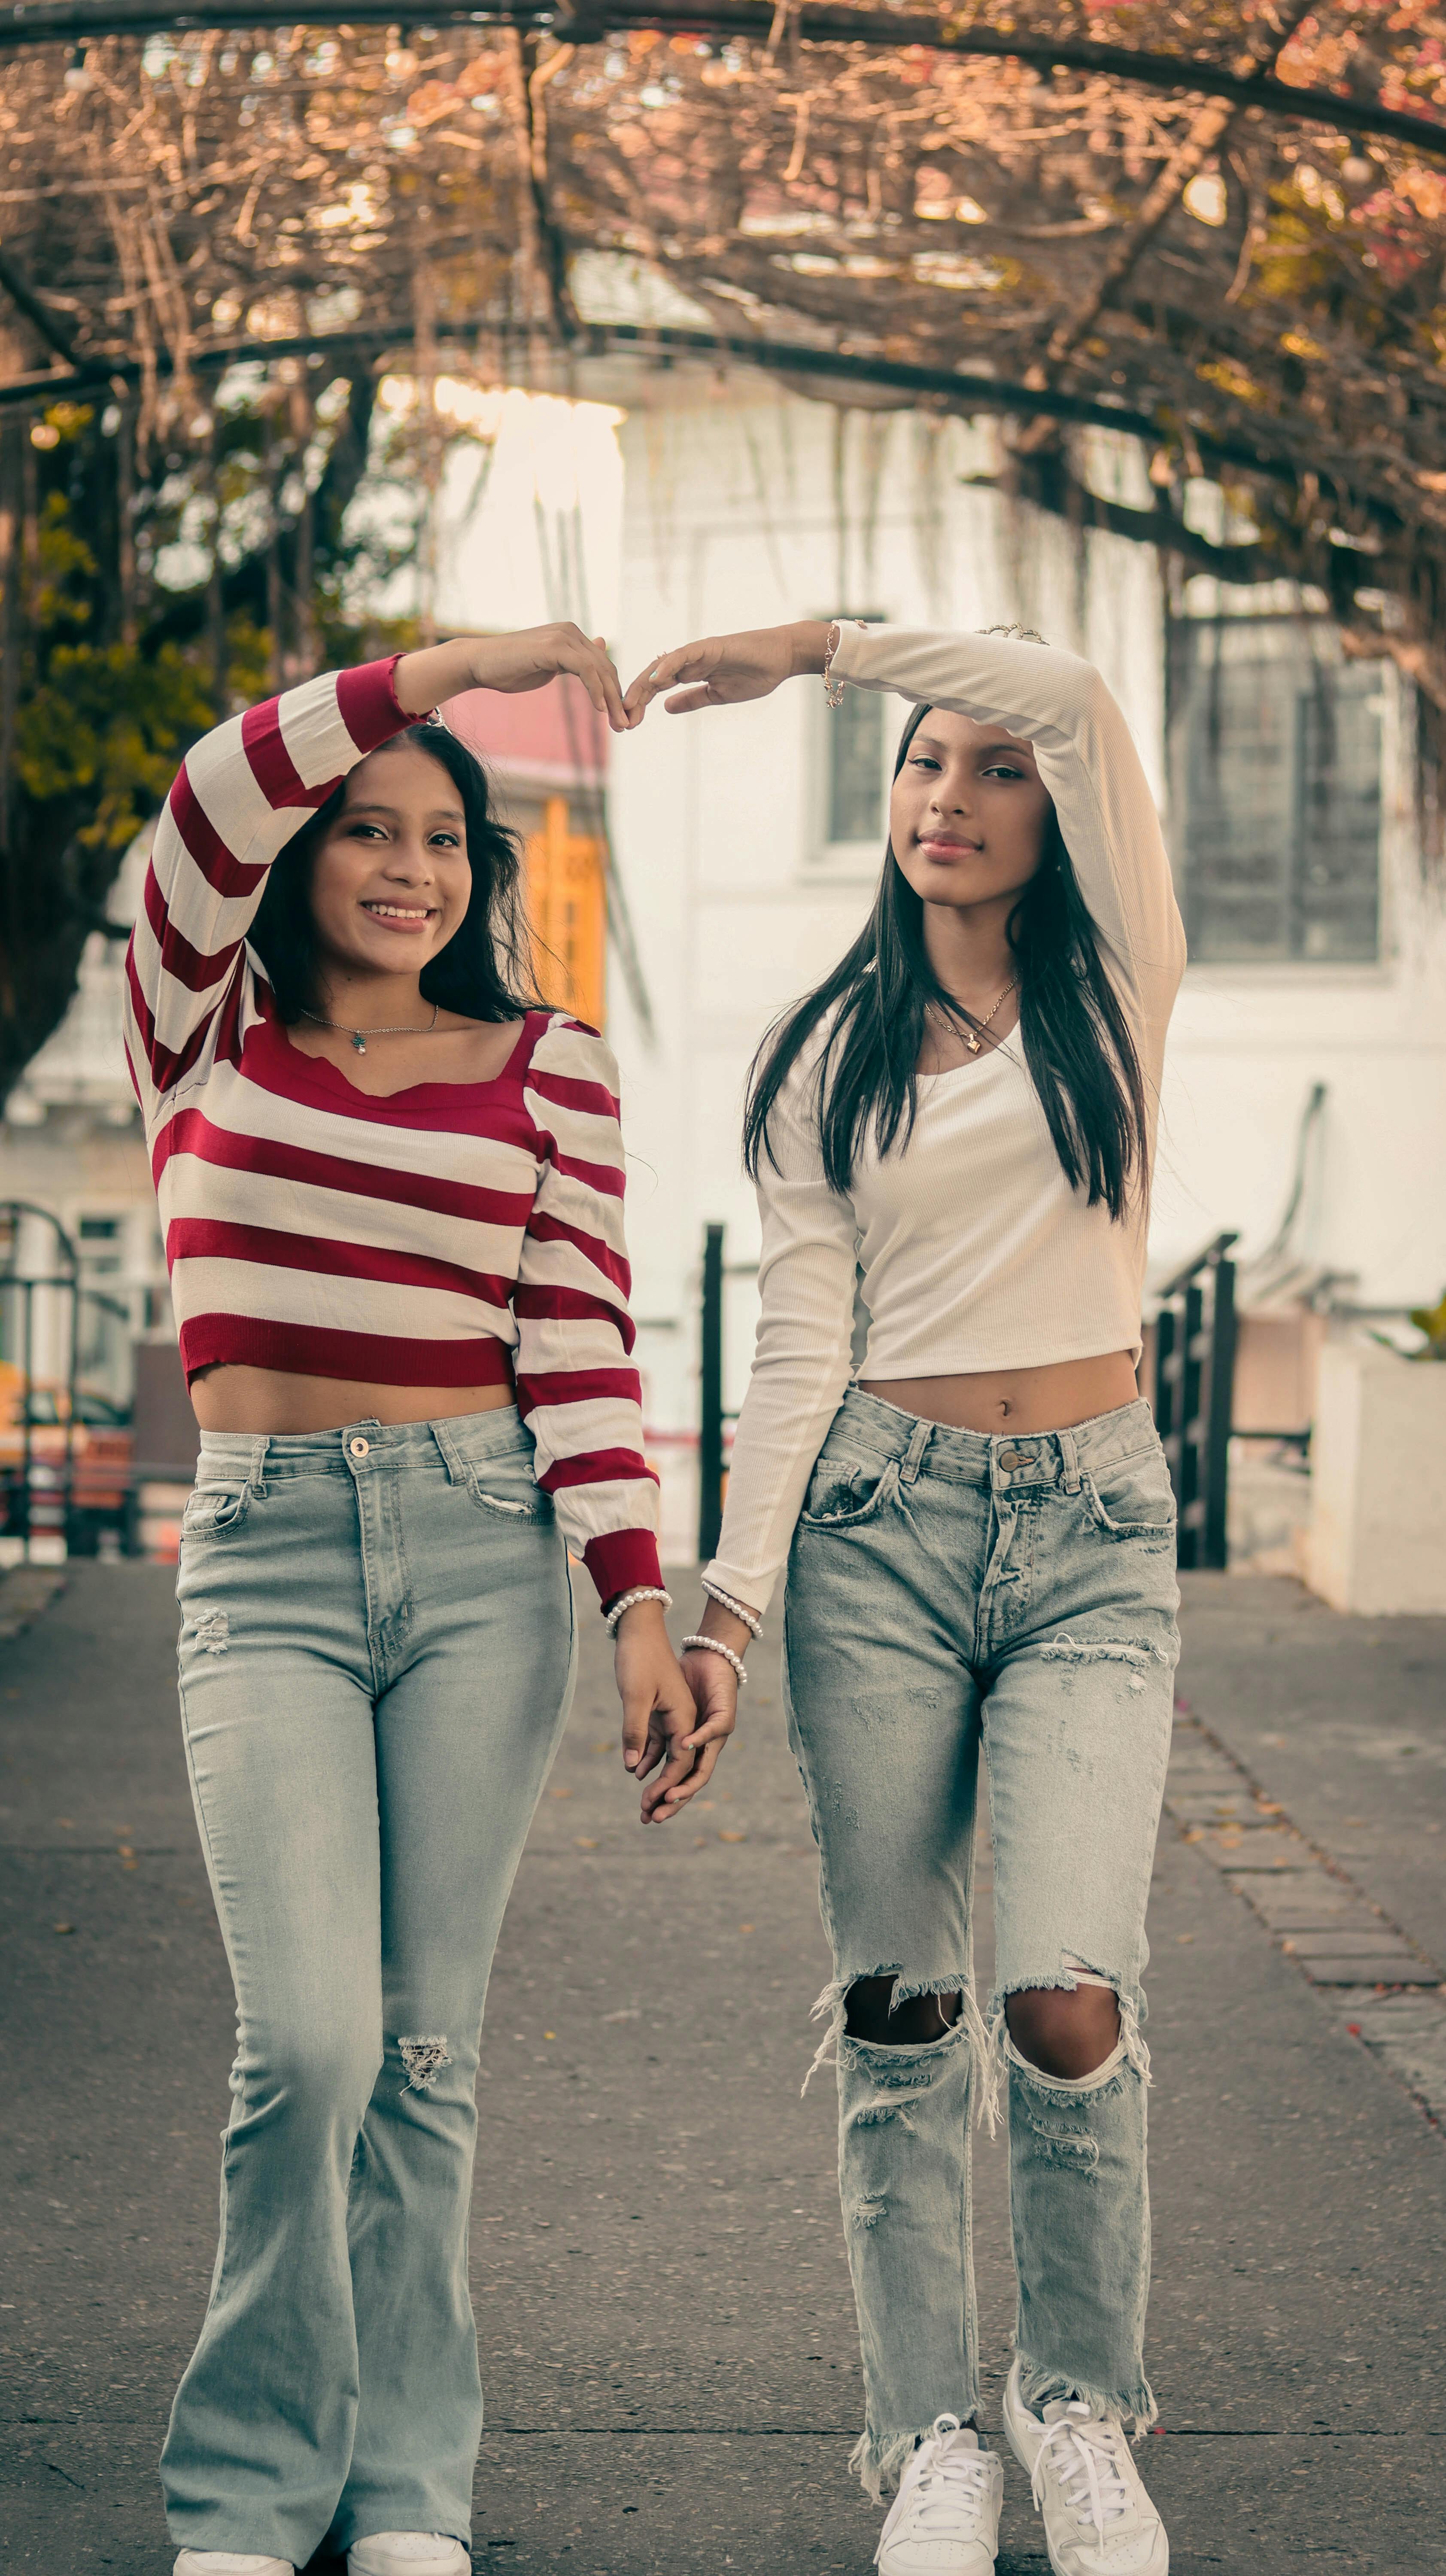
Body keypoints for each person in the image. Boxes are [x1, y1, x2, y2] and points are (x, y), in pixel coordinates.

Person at [125, 625, 728, 2576]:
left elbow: (578, 1345)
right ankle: (245, 2487)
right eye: (369, 829)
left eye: (449, 839)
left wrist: (638, 1601)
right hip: (269, 1557)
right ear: (296, 857)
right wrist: (449, 673)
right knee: (301, 2046)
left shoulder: (549, 1068)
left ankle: (402, 2493)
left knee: (424, 2053)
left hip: (481, 1560)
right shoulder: (199, 1027)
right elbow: (206, 794)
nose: (412, 865)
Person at [627, 617, 1187, 2576]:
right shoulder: (821, 1061)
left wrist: (820, 652)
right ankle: (927, 2430)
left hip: (1092, 1538)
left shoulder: (1119, 986)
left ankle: (1076, 2408)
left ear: (1053, 808)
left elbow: (1076, 694)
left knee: (1057, 1995)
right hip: (876, 1527)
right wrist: (723, 1611)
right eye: (920, 766)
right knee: (899, 2004)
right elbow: (795, 1352)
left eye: (989, 768)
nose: (947, 796)